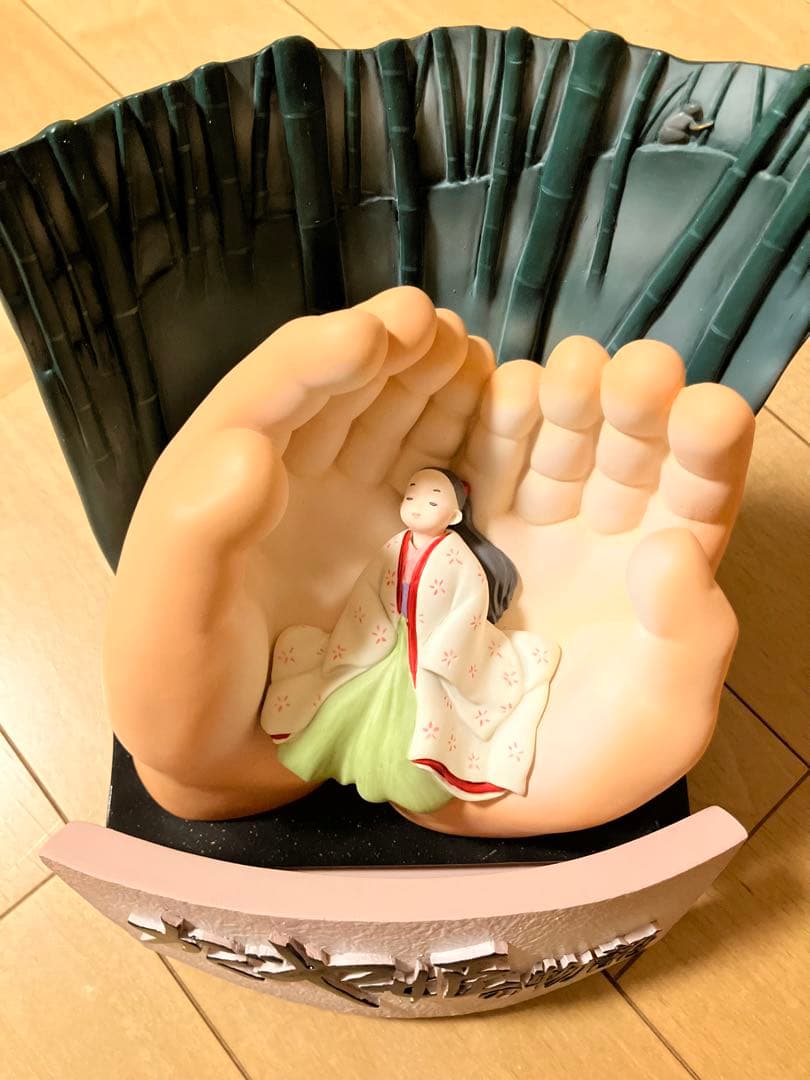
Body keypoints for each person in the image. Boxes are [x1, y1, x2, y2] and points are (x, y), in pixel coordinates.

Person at [261, 467, 560, 813]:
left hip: (431, 651)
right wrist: (373, 625)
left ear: (454, 516)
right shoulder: (396, 545)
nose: (417, 507)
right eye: (411, 496)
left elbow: (471, 605)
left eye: (431, 502)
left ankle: (410, 782)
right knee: (347, 699)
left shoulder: (459, 558)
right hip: (390, 638)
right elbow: (368, 586)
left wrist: (444, 650)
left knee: (423, 714)